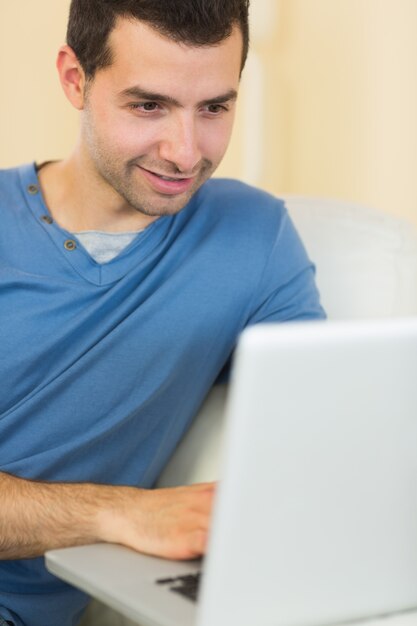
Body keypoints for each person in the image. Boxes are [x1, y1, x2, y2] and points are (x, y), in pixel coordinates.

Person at [0, 1, 325, 625]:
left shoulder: (254, 237)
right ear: (75, 79)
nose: (184, 153)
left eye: (215, 108)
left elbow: (317, 435)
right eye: (148, 105)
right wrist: (117, 512)